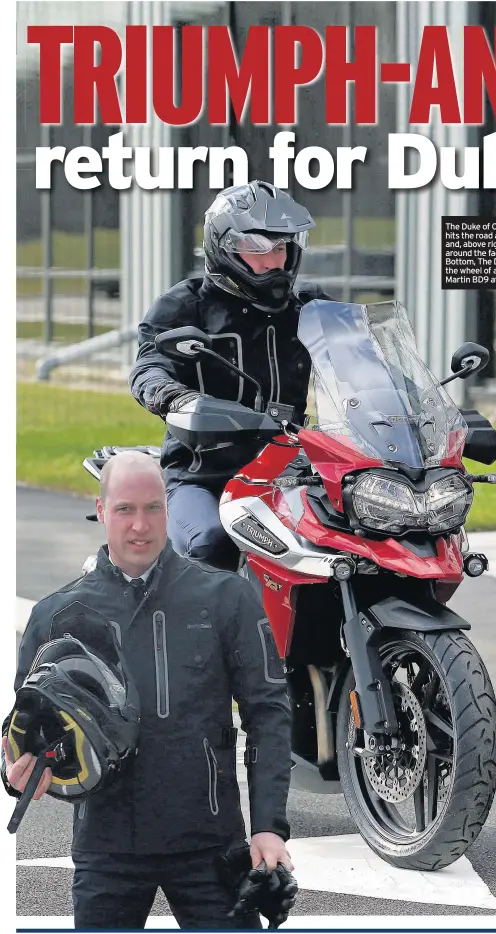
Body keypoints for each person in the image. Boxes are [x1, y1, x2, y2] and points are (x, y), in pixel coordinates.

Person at [2, 451, 294, 930]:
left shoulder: (227, 598)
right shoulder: (56, 616)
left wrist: (268, 826)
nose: (141, 526)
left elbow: (269, 712)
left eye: (153, 508)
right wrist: (15, 769)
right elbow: (24, 727)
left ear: (168, 508)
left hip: (210, 845)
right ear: (101, 510)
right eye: (124, 510)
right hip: (106, 848)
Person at [129, 180, 332, 571]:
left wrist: (413, 406)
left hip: (291, 471)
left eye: (280, 247)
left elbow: (362, 359)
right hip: (203, 473)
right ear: (223, 247)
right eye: (257, 248)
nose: (272, 260)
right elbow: (149, 367)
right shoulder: (185, 307)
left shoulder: (311, 306)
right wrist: (176, 398)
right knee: (212, 543)